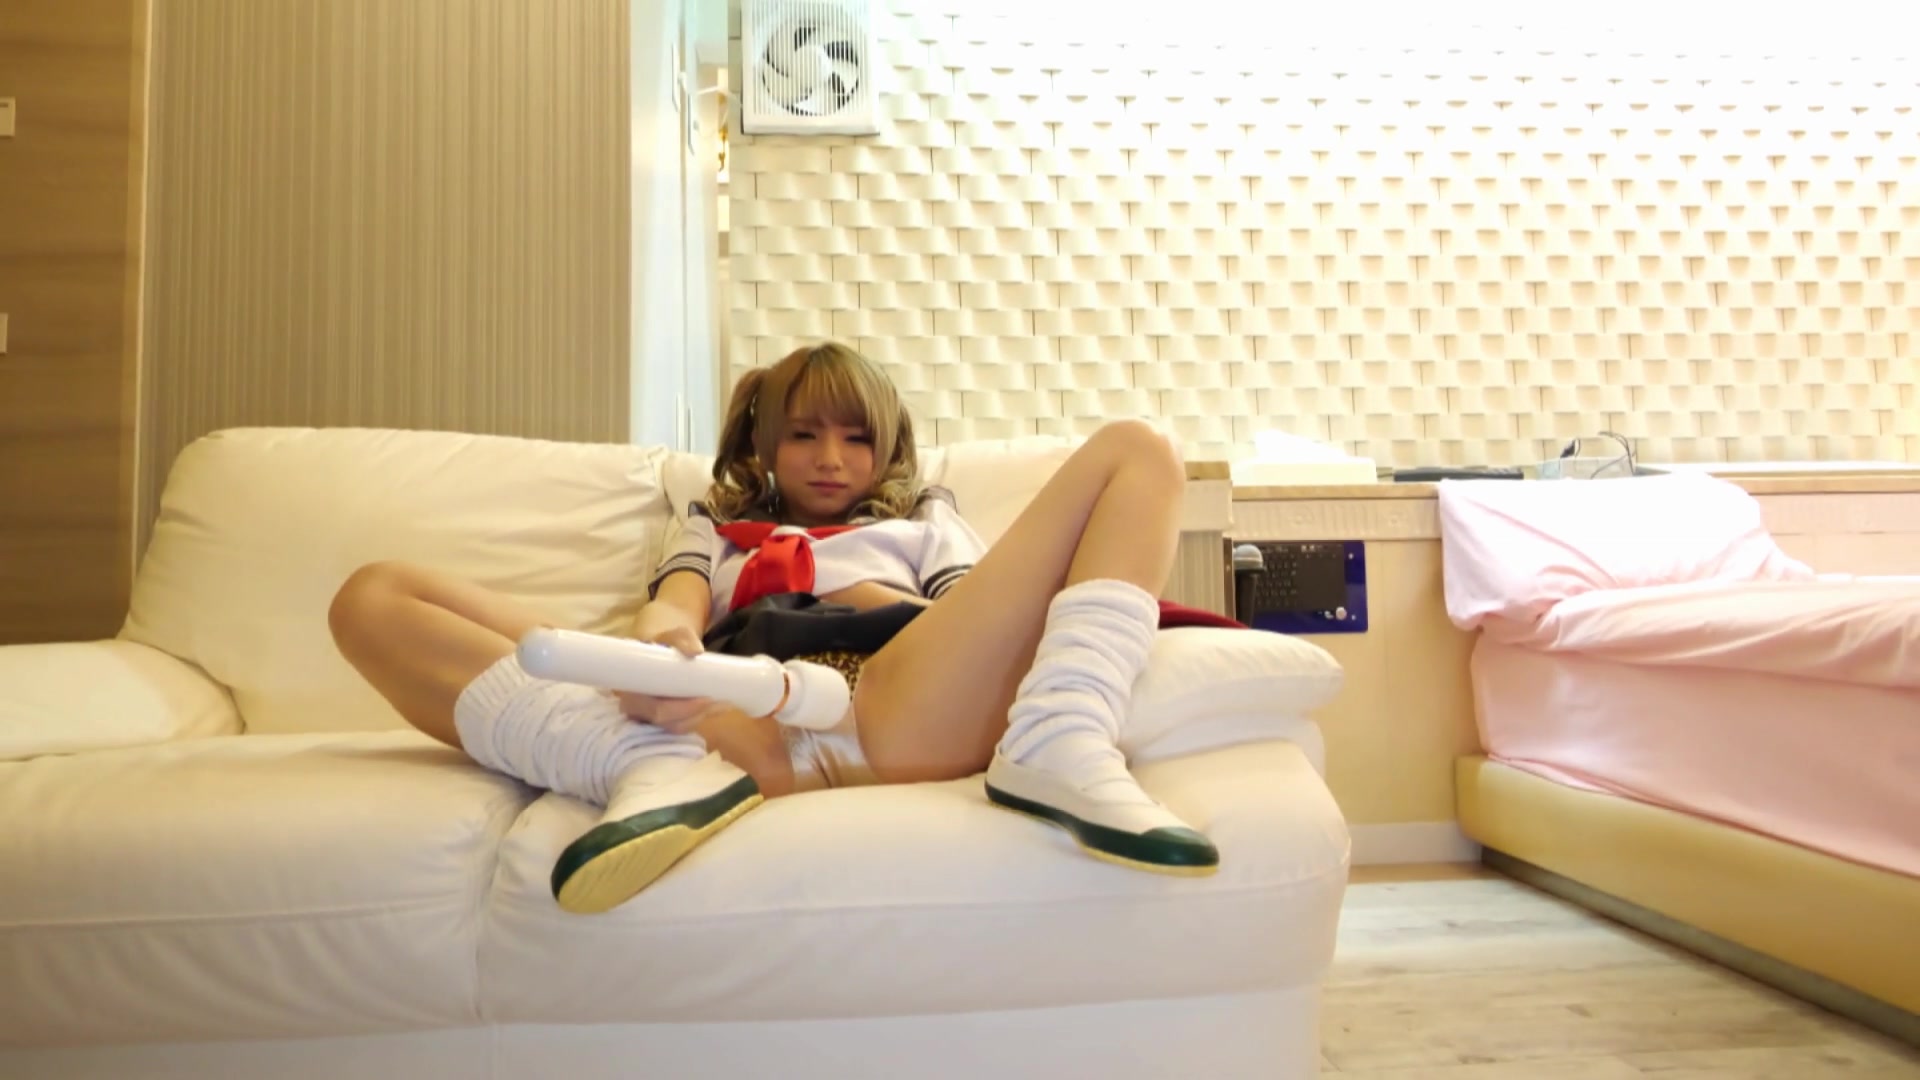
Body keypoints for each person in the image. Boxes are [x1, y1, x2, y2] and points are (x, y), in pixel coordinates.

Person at [328, 341, 1215, 915]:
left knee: (1141, 449)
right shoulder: (715, 526)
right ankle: (644, 763)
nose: (830, 460)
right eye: (804, 436)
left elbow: (973, 623)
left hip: (894, 705)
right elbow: (674, 607)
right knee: (374, 596)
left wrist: (859, 596)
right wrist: (659, 654)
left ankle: (1060, 741)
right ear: (763, 445)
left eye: (855, 440)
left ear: (887, 451)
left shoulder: (923, 522)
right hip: (732, 721)